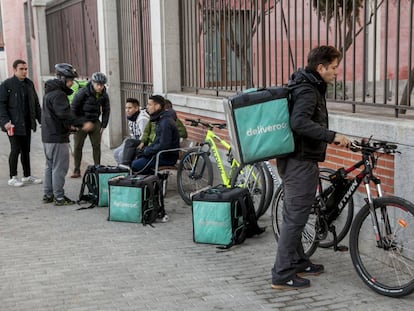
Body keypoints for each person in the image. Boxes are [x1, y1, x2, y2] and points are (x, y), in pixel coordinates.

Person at [271, 46, 351, 290]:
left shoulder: (305, 85)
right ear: (321, 68)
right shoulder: (308, 90)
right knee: (295, 218)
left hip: (295, 158)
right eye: (334, 67)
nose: (337, 72)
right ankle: (282, 274)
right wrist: (331, 135)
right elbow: (299, 122)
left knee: (294, 215)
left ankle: (298, 260)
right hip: (299, 161)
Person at [41, 63, 94, 206]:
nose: (72, 83)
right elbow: (64, 114)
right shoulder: (59, 95)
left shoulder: (49, 92)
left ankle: (48, 194)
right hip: (57, 138)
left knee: (50, 166)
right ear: (62, 78)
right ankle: (59, 197)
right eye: (70, 79)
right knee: (59, 167)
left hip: (48, 136)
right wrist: (82, 123)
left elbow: (56, 117)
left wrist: (70, 127)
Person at [0, 59, 42, 187]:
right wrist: (5, 122)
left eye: (25, 69)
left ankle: (27, 175)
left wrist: (41, 121)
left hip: (26, 123)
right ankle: (13, 177)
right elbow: (1, 105)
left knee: (26, 150)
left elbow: (35, 103)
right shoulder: (7, 85)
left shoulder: (29, 84)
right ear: (14, 70)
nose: (24, 72)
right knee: (15, 149)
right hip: (13, 124)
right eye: (21, 69)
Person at [70, 72, 110, 178]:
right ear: (92, 82)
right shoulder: (83, 92)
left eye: (102, 85)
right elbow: (73, 108)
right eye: (98, 84)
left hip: (95, 122)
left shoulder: (104, 94)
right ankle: (76, 169)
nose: (100, 87)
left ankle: (97, 167)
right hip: (81, 122)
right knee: (78, 146)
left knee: (96, 146)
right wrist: (75, 123)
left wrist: (103, 125)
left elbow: (106, 109)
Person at [130, 95, 180, 174]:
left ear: (157, 106)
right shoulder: (161, 119)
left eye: (149, 105)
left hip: (166, 157)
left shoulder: (165, 122)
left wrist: (147, 151)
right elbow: (157, 141)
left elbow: (164, 144)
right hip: (160, 154)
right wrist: (145, 150)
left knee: (135, 165)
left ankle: (153, 183)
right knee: (135, 157)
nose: (147, 107)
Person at [113, 97, 149, 164]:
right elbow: (132, 134)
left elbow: (144, 135)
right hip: (132, 141)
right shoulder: (131, 117)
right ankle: (121, 169)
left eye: (130, 108)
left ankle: (126, 171)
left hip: (140, 143)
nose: (127, 110)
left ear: (136, 108)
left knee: (121, 155)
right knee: (116, 153)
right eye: (126, 108)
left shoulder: (142, 119)